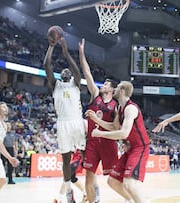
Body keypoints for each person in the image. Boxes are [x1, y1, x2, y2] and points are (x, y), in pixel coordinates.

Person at [86, 81, 149, 203]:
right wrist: (96, 120)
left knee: (129, 184)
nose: (114, 89)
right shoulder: (120, 107)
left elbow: (123, 133)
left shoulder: (130, 108)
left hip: (140, 148)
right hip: (130, 148)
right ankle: (131, 200)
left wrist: (100, 134)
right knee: (113, 181)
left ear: (122, 91)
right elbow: (114, 127)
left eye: (117, 87)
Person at [79, 38, 123, 203]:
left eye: (105, 84)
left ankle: (130, 197)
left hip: (108, 143)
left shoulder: (116, 106)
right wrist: (82, 54)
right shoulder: (95, 95)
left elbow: (115, 128)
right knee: (88, 178)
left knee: (115, 178)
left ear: (111, 89)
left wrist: (99, 125)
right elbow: (87, 73)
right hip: (92, 142)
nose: (102, 85)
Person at [44, 35, 86, 203]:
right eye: (63, 70)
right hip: (62, 124)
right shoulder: (56, 85)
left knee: (85, 154)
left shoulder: (76, 84)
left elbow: (77, 70)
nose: (66, 70)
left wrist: (66, 52)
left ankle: (90, 190)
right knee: (66, 160)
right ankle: (69, 196)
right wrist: (51, 47)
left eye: (67, 70)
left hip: (77, 121)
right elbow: (46, 65)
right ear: (60, 75)